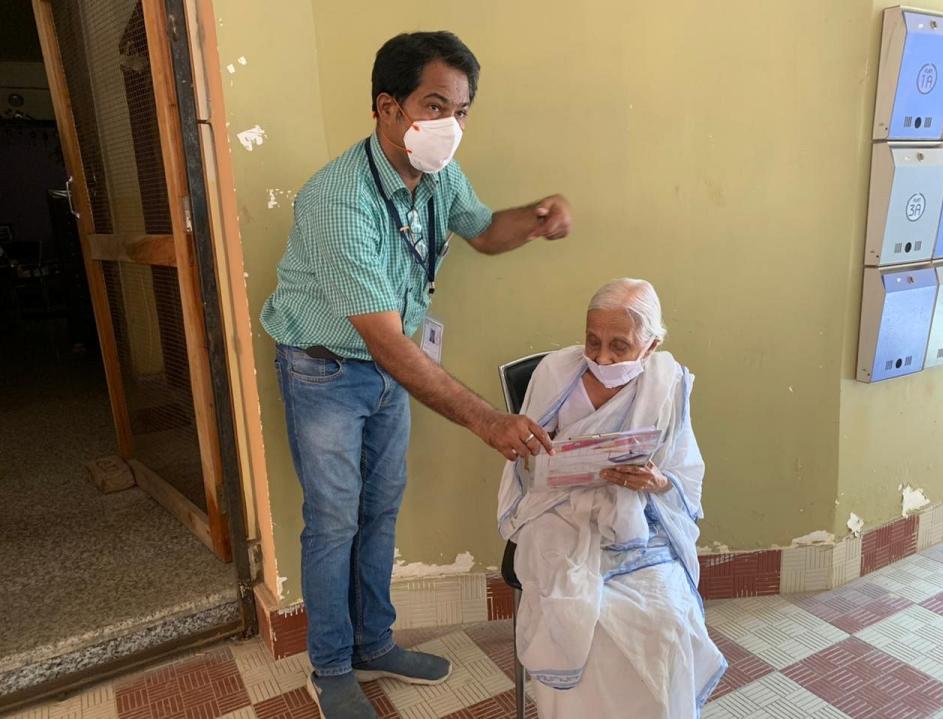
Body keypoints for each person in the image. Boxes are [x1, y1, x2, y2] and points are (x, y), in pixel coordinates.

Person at [260, 31, 573, 718]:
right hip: (327, 371)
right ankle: (332, 665)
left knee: (379, 511)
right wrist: (486, 418)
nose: (451, 127)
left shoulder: (437, 175)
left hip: (387, 372)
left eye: (462, 110)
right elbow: (391, 343)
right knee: (334, 520)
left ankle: (375, 640)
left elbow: (484, 228)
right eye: (436, 106)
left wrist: (537, 219)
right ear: (388, 107)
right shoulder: (337, 201)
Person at [497, 278, 727, 719]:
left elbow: (684, 471)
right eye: (592, 341)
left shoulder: (668, 383)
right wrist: (535, 455)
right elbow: (522, 467)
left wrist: (656, 482)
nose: (602, 357)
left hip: (639, 520)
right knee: (573, 618)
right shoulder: (554, 373)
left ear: (651, 344)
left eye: (619, 346)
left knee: (665, 620)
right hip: (557, 513)